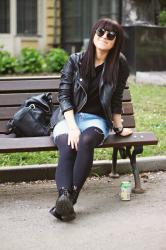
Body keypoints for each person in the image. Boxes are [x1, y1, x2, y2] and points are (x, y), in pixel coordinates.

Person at [49, 18, 133, 221]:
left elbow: (116, 98)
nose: (104, 37)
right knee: (68, 144)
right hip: (69, 118)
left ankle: (68, 200)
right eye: (101, 32)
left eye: (110, 35)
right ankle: (64, 200)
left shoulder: (119, 64)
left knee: (86, 141)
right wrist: (72, 126)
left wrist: (119, 127)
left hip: (97, 121)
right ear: (94, 34)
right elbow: (64, 96)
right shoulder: (75, 60)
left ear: (116, 41)